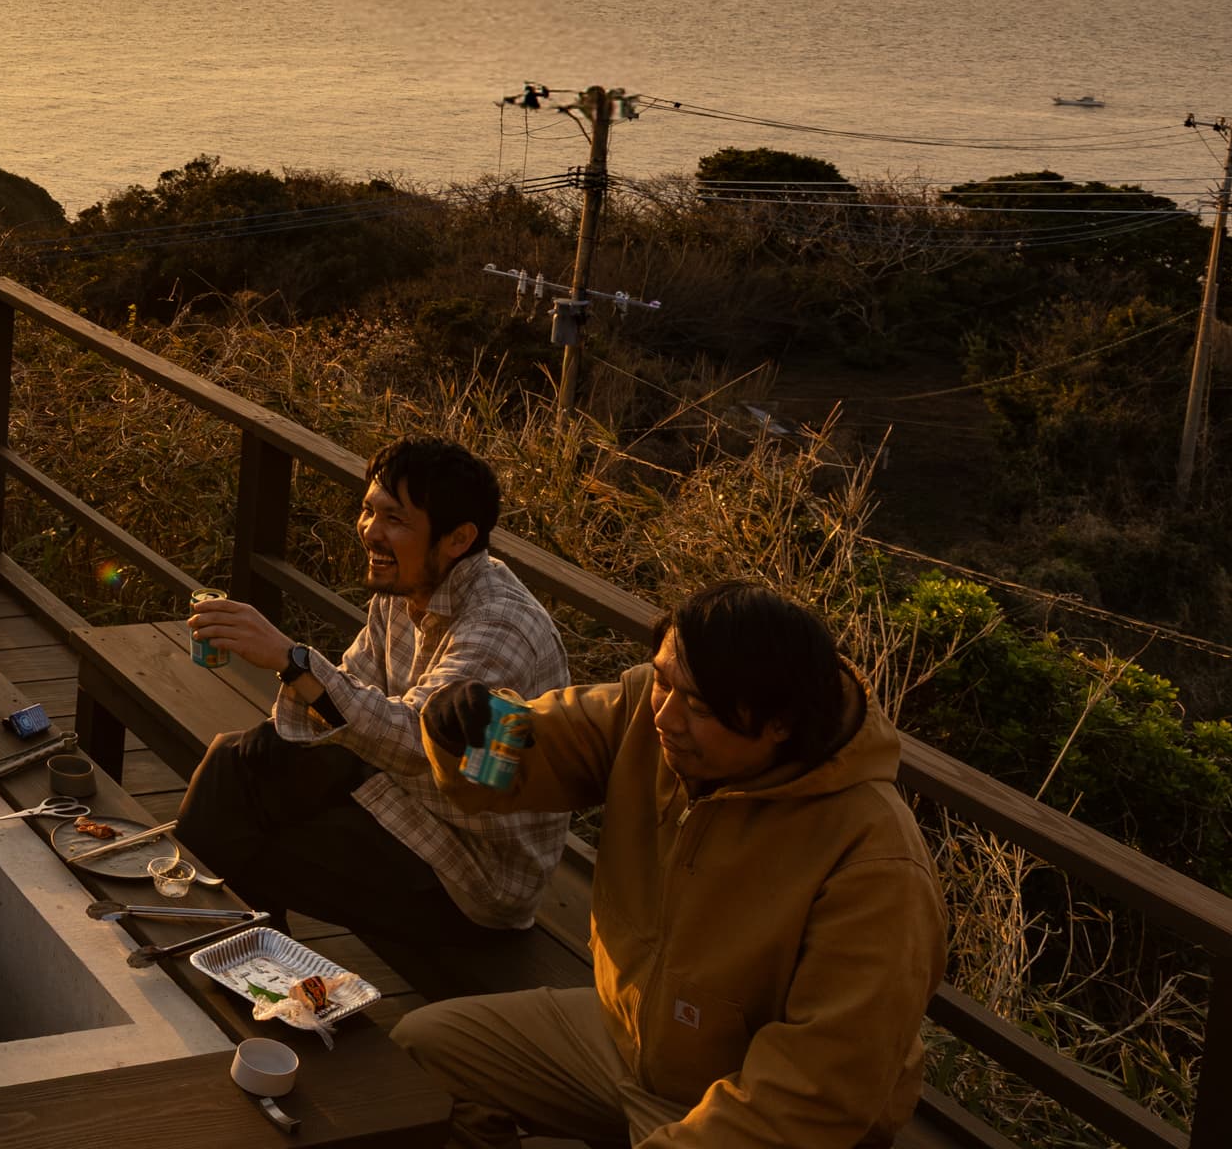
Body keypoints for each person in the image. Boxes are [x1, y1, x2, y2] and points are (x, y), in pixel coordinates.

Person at [394, 581, 946, 1147]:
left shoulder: (875, 861)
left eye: (700, 706)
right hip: (624, 1040)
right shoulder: (649, 712)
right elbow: (540, 748)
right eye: (662, 680)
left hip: (744, 1108)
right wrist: (463, 730)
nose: (666, 716)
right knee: (421, 1053)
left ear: (780, 723)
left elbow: (813, 1095)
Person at [176, 437, 571, 983]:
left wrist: (292, 661)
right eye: (368, 510)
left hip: (469, 867)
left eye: (394, 519)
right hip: (401, 795)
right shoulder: (405, 584)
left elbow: (418, 741)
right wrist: (294, 700)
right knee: (238, 762)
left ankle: (253, 983)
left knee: (245, 843)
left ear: (459, 539)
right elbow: (350, 692)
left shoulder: (498, 627)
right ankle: (259, 979)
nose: (369, 530)